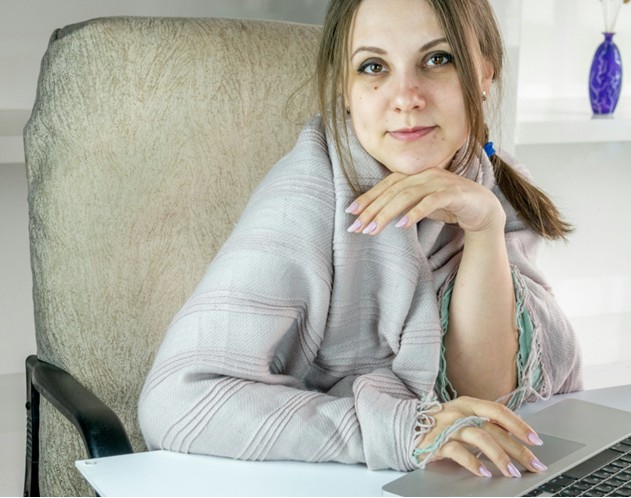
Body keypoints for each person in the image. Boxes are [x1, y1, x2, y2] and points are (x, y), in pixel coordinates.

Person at [139, 0, 582, 480]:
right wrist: (404, 428)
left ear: (484, 76)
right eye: (374, 67)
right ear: (344, 91)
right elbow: (176, 401)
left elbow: (485, 396)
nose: (406, 96)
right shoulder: (307, 194)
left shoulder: (488, 184)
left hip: (448, 480)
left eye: (439, 58)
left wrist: (483, 229)